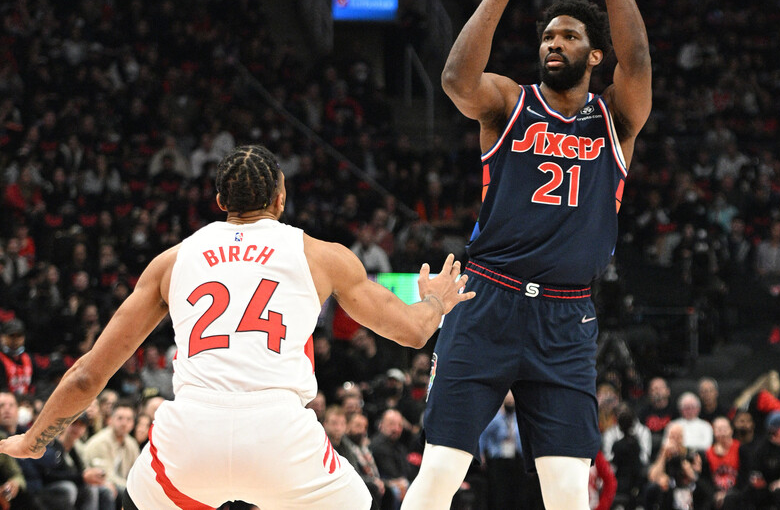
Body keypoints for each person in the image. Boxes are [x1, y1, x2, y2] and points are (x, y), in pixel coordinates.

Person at [0, 145, 474, 509]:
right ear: (281, 197)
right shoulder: (320, 255)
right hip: (280, 433)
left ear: (221, 199)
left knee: (140, 496)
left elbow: (87, 375)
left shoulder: (172, 260)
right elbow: (413, 332)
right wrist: (435, 300)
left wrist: (31, 439)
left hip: (190, 434)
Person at [402, 0, 652, 510]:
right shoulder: (510, 103)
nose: (552, 44)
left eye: (568, 36)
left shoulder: (614, 119)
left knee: (568, 492)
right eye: (546, 36)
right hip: (486, 300)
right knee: (438, 474)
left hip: (566, 320)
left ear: (595, 55)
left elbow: (639, 56)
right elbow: (457, 79)